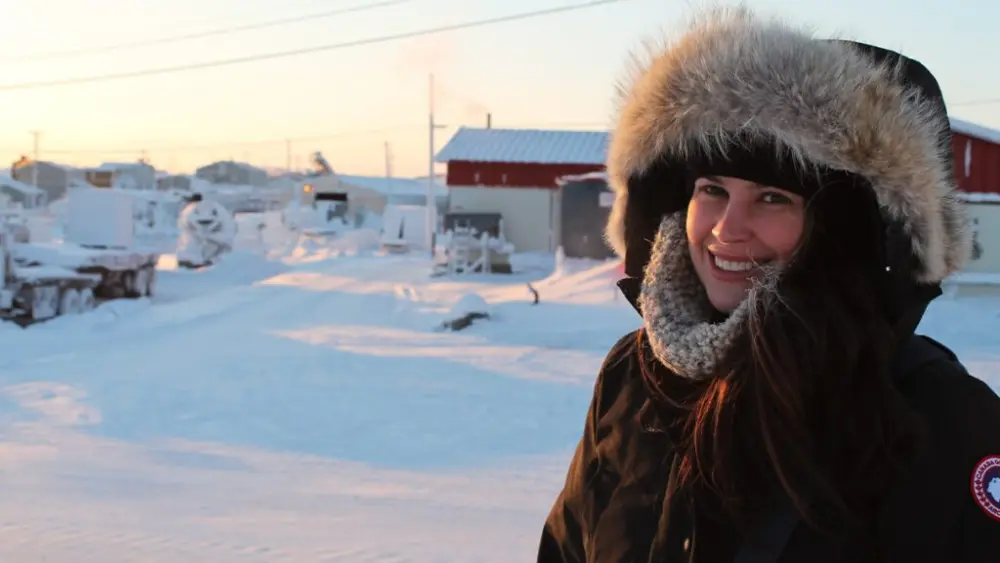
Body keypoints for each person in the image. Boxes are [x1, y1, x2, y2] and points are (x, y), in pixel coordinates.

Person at [537, 7, 1000, 563]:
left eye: (773, 198)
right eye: (711, 189)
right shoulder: (633, 378)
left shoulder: (942, 420)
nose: (727, 228)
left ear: (844, 232)